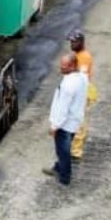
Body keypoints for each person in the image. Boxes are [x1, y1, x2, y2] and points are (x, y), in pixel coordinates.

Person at [42, 53, 88, 186]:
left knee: (63, 151)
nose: (60, 67)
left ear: (72, 66)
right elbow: (84, 72)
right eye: (61, 64)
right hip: (75, 121)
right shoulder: (81, 78)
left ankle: (65, 177)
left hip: (65, 125)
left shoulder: (69, 85)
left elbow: (63, 109)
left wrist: (54, 126)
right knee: (64, 149)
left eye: (64, 65)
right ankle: (58, 167)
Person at [68, 30, 97, 161]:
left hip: (81, 92)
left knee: (78, 121)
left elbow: (82, 78)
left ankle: (75, 152)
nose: (71, 44)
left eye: (74, 42)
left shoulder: (84, 57)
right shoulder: (78, 54)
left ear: (81, 42)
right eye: (71, 41)